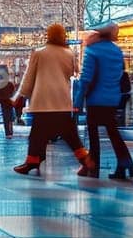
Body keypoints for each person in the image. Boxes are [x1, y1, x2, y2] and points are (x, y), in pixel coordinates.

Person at [14, 23, 94, 177]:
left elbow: (29, 77)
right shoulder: (68, 53)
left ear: (48, 35)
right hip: (62, 100)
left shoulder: (39, 53)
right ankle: (85, 158)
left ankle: (33, 161)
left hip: (43, 101)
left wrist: (21, 96)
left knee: (37, 134)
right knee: (71, 135)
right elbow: (75, 72)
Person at [79, 24, 133, 180]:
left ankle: (94, 166)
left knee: (93, 134)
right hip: (112, 98)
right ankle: (125, 162)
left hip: (95, 99)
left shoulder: (93, 50)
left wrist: (77, 100)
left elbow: (86, 78)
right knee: (113, 132)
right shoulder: (116, 51)